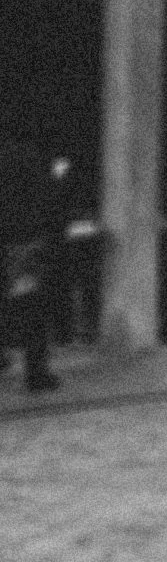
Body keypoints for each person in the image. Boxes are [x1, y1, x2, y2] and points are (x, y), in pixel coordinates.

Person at [0, 133, 66, 392]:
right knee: (31, 307)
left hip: (12, 239)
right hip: (23, 242)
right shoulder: (29, 157)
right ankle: (36, 373)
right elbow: (50, 200)